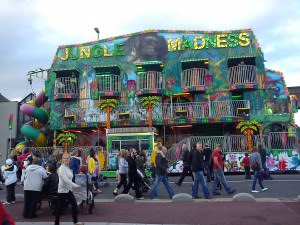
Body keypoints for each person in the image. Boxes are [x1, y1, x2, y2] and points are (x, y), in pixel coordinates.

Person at [55, 153, 83, 225]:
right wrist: (75, 185)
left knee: (74, 205)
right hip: (62, 191)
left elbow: (70, 179)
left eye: (68, 158)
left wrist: (73, 186)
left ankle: (75, 222)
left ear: (70, 160)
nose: (66, 159)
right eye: (65, 158)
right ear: (62, 159)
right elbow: (65, 180)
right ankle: (56, 223)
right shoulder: (61, 168)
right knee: (59, 208)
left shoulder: (68, 168)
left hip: (68, 190)